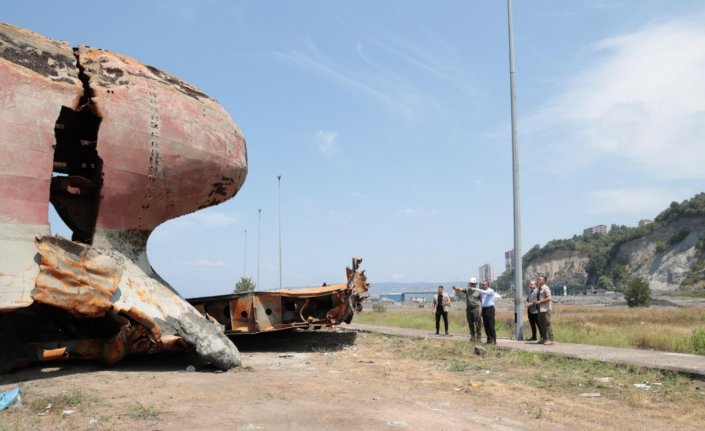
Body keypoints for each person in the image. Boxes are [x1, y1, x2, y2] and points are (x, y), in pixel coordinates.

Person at [452, 277, 482, 341]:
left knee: (478, 323)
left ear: (476, 284)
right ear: (470, 284)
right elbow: (460, 289)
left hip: (476, 309)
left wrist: (481, 310)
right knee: (470, 323)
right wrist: (455, 288)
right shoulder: (467, 290)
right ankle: (473, 337)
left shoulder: (479, 291)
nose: (472, 285)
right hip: (469, 309)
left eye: (473, 284)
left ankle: (479, 337)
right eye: (471, 284)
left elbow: (481, 301)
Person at [470, 280, 497, 344]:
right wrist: (481, 310)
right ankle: (489, 339)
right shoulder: (483, 292)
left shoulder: (490, 291)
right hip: (484, 309)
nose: (482, 286)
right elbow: (482, 301)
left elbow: (485, 292)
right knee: (486, 325)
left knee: (491, 325)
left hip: (490, 309)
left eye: (483, 285)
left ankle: (494, 339)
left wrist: (475, 289)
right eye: (481, 284)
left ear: (487, 285)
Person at [534, 275, 554, 345]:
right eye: (538, 279)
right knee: (542, 324)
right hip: (540, 309)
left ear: (544, 281)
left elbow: (549, 298)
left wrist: (540, 302)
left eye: (540, 279)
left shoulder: (546, 288)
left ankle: (550, 339)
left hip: (545, 309)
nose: (539, 280)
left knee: (547, 324)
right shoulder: (540, 288)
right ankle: (544, 339)